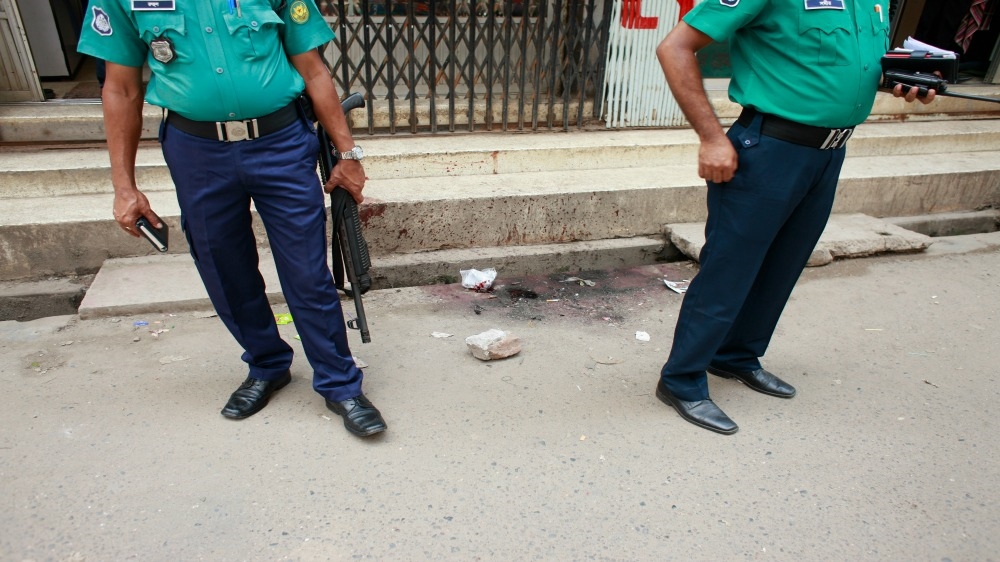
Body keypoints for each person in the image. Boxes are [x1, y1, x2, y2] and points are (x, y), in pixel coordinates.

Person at [77, 0, 387, 438]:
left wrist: (347, 153)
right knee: (224, 266)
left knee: (306, 270)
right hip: (196, 150)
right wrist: (123, 186)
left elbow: (313, 69)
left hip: (280, 143)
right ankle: (267, 364)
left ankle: (340, 384)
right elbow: (121, 88)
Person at [653, 0, 935, 435]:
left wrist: (903, 81)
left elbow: (844, 69)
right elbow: (675, 48)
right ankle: (682, 380)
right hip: (768, 149)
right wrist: (711, 138)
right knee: (729, 270)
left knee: (782, 265)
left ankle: (736, 355)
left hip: (828, 153)